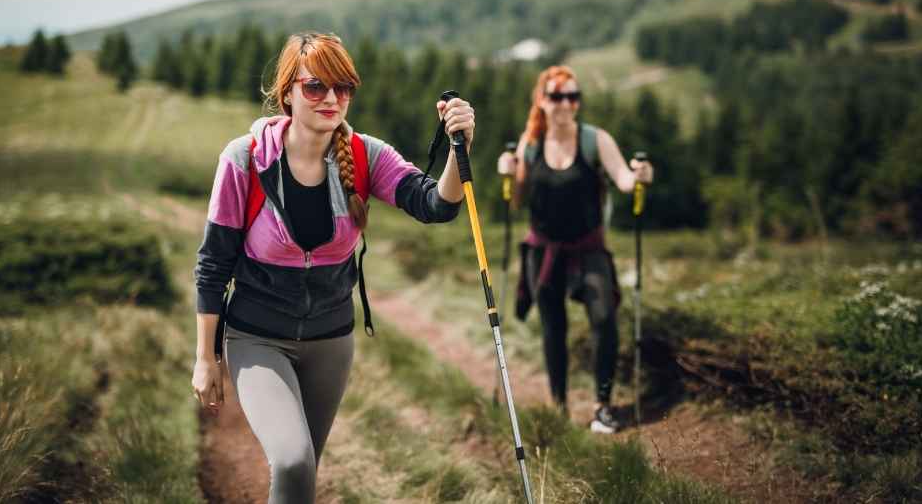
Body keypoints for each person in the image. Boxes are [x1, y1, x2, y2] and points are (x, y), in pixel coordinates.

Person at [191, 32, 475, 502]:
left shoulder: (365, 156)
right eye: (316, 87)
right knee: (292, 458)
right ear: (287, 93)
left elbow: (436, 206)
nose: (331, 99)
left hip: (331, 342)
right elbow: (212, 264)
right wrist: (206, 357)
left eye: (343, 88)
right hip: (257, 337)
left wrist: (458, 149)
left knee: (303, 474)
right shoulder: (244, 160)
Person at [497, 64, 653, 434]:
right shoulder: (530, 144)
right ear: (542, 100)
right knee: (554, 329)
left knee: (604, 318)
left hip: (588, 248)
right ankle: (559, 407)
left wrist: (640, 176)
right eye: (556, 96)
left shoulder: (595, 140)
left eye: (572, 96)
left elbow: (624, 179)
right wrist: (508, 171)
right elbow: (517, 199)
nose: (565, 104)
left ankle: (602, 405)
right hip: (543, 251)